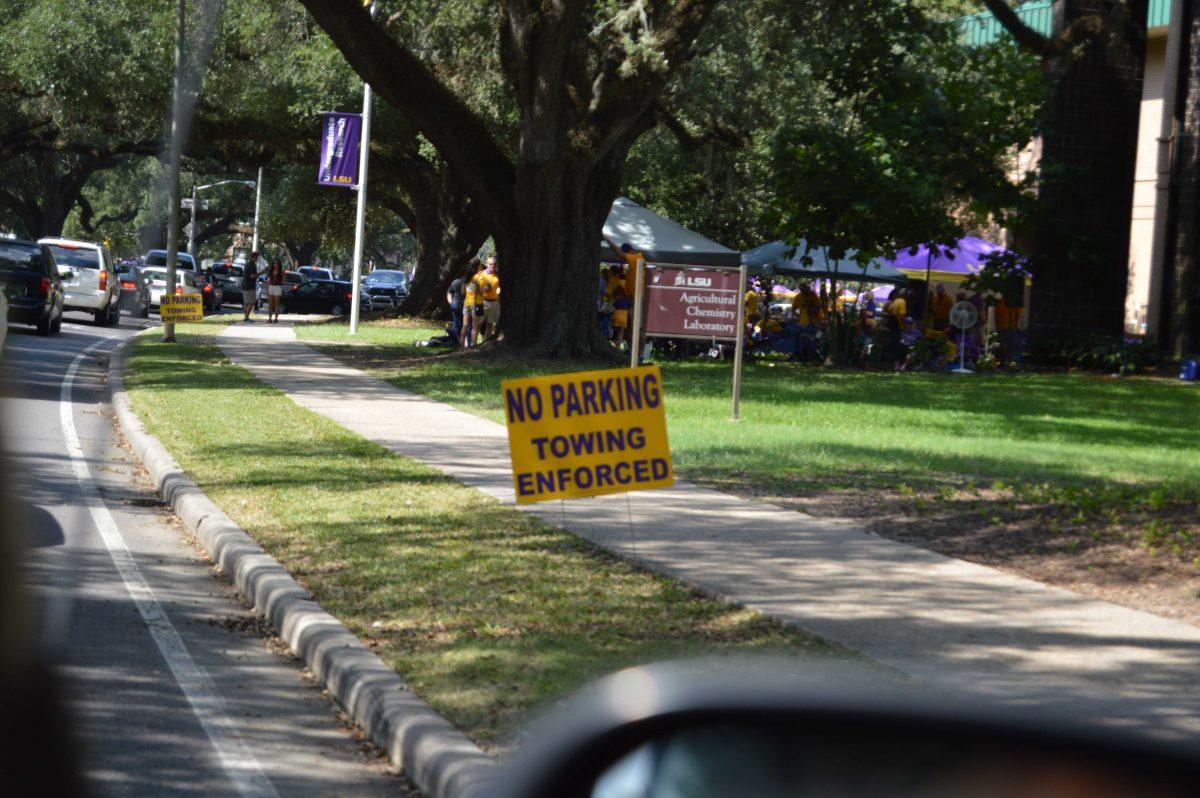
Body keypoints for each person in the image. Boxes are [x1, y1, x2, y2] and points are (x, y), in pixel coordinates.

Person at [476, 255, 501, 339]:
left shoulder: (498, 275)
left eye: (494, 264)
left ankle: (486, 342)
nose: (492, 266)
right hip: (484, 302)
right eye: (490, 264)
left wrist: (499, 290)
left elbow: (500, 286)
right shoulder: (482, 274)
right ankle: (473, 344)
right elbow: (477, 289)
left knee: (490, 325)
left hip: (495, 302)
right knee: (479, 323)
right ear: (487, 264)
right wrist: (484, 289)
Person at [461, 259, 484, 348]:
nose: (481, 267)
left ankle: (462, 345)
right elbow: (482, 292)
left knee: (465, 325)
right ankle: (473, 345)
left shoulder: (466, 277)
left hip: (467, 303)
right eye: (480, 265)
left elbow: (463, 292)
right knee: (475, 326)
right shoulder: (479, 277)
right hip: (477, 303)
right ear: (477, 266)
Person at [446, 269, 465, 347]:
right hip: (462, 306)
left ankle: (458, 342)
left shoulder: (455, 282)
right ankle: (460, 342)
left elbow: (449, 292)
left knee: (458, 325)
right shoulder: (469, 282)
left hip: (455, 305)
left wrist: (451, 302)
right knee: (464, 325)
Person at [241, 251, 260, 321]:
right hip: (249, 286)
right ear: (254, 257)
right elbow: (252, 275)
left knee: (246, 303)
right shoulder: (252, 264)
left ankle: (246, 317)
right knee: (251, 302)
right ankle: (246, 317)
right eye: (257, 257)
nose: (257, 258)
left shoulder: (247, 264)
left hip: (245, 285)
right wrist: (260, 273)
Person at [266, 258, 285, 323]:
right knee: (270, 305)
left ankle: (276, 318)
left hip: (278, 287)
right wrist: (267, 289)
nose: (275, 264)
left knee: (276, 304)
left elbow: (283, 281)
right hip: (271, 287)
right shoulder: (270, 271)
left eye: (277, 263)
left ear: (279, 264)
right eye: (274, 263)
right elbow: (268, 281)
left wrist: (283, 276)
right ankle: (269, 318)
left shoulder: (281, 272)